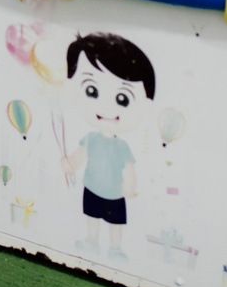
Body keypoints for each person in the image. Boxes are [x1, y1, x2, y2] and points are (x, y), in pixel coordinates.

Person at [59, 32, 156, 262]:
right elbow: (80, 156)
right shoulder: (91, 138)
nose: (106, 107)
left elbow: (129, 168)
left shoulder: (121, 146)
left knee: (115, 222)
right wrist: (70, 164)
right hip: (92, 186)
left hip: (114, 192)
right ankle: (92, 242)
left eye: (123, 99)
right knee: (92, 217)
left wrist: (130, 187)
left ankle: (115, 247)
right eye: (92, 91)